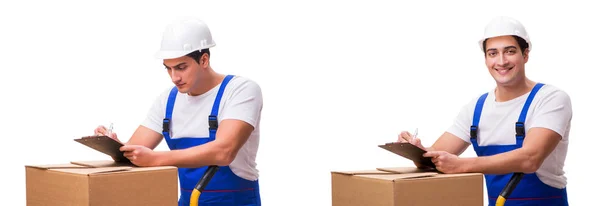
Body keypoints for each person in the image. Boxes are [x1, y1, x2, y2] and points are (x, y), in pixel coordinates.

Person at [397, 16, 571, 205]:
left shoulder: (551, 99)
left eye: (510, 51)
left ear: (526, 54)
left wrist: (460, 165)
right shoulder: (476, 109)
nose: (501, 61)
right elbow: (435, 159)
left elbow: (530, 158)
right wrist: (417, 151)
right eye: (493, 53)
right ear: (486, 59)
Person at [94, 17, 263, 206]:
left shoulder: (240, 91)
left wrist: (154, 159)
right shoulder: (168, 101)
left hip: (235, 202)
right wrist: (116, 146)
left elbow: (224, 151)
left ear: (204, 60)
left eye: (181, 67)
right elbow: (135, 155)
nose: (174, 77)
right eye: (169, 69)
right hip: (188, 201)